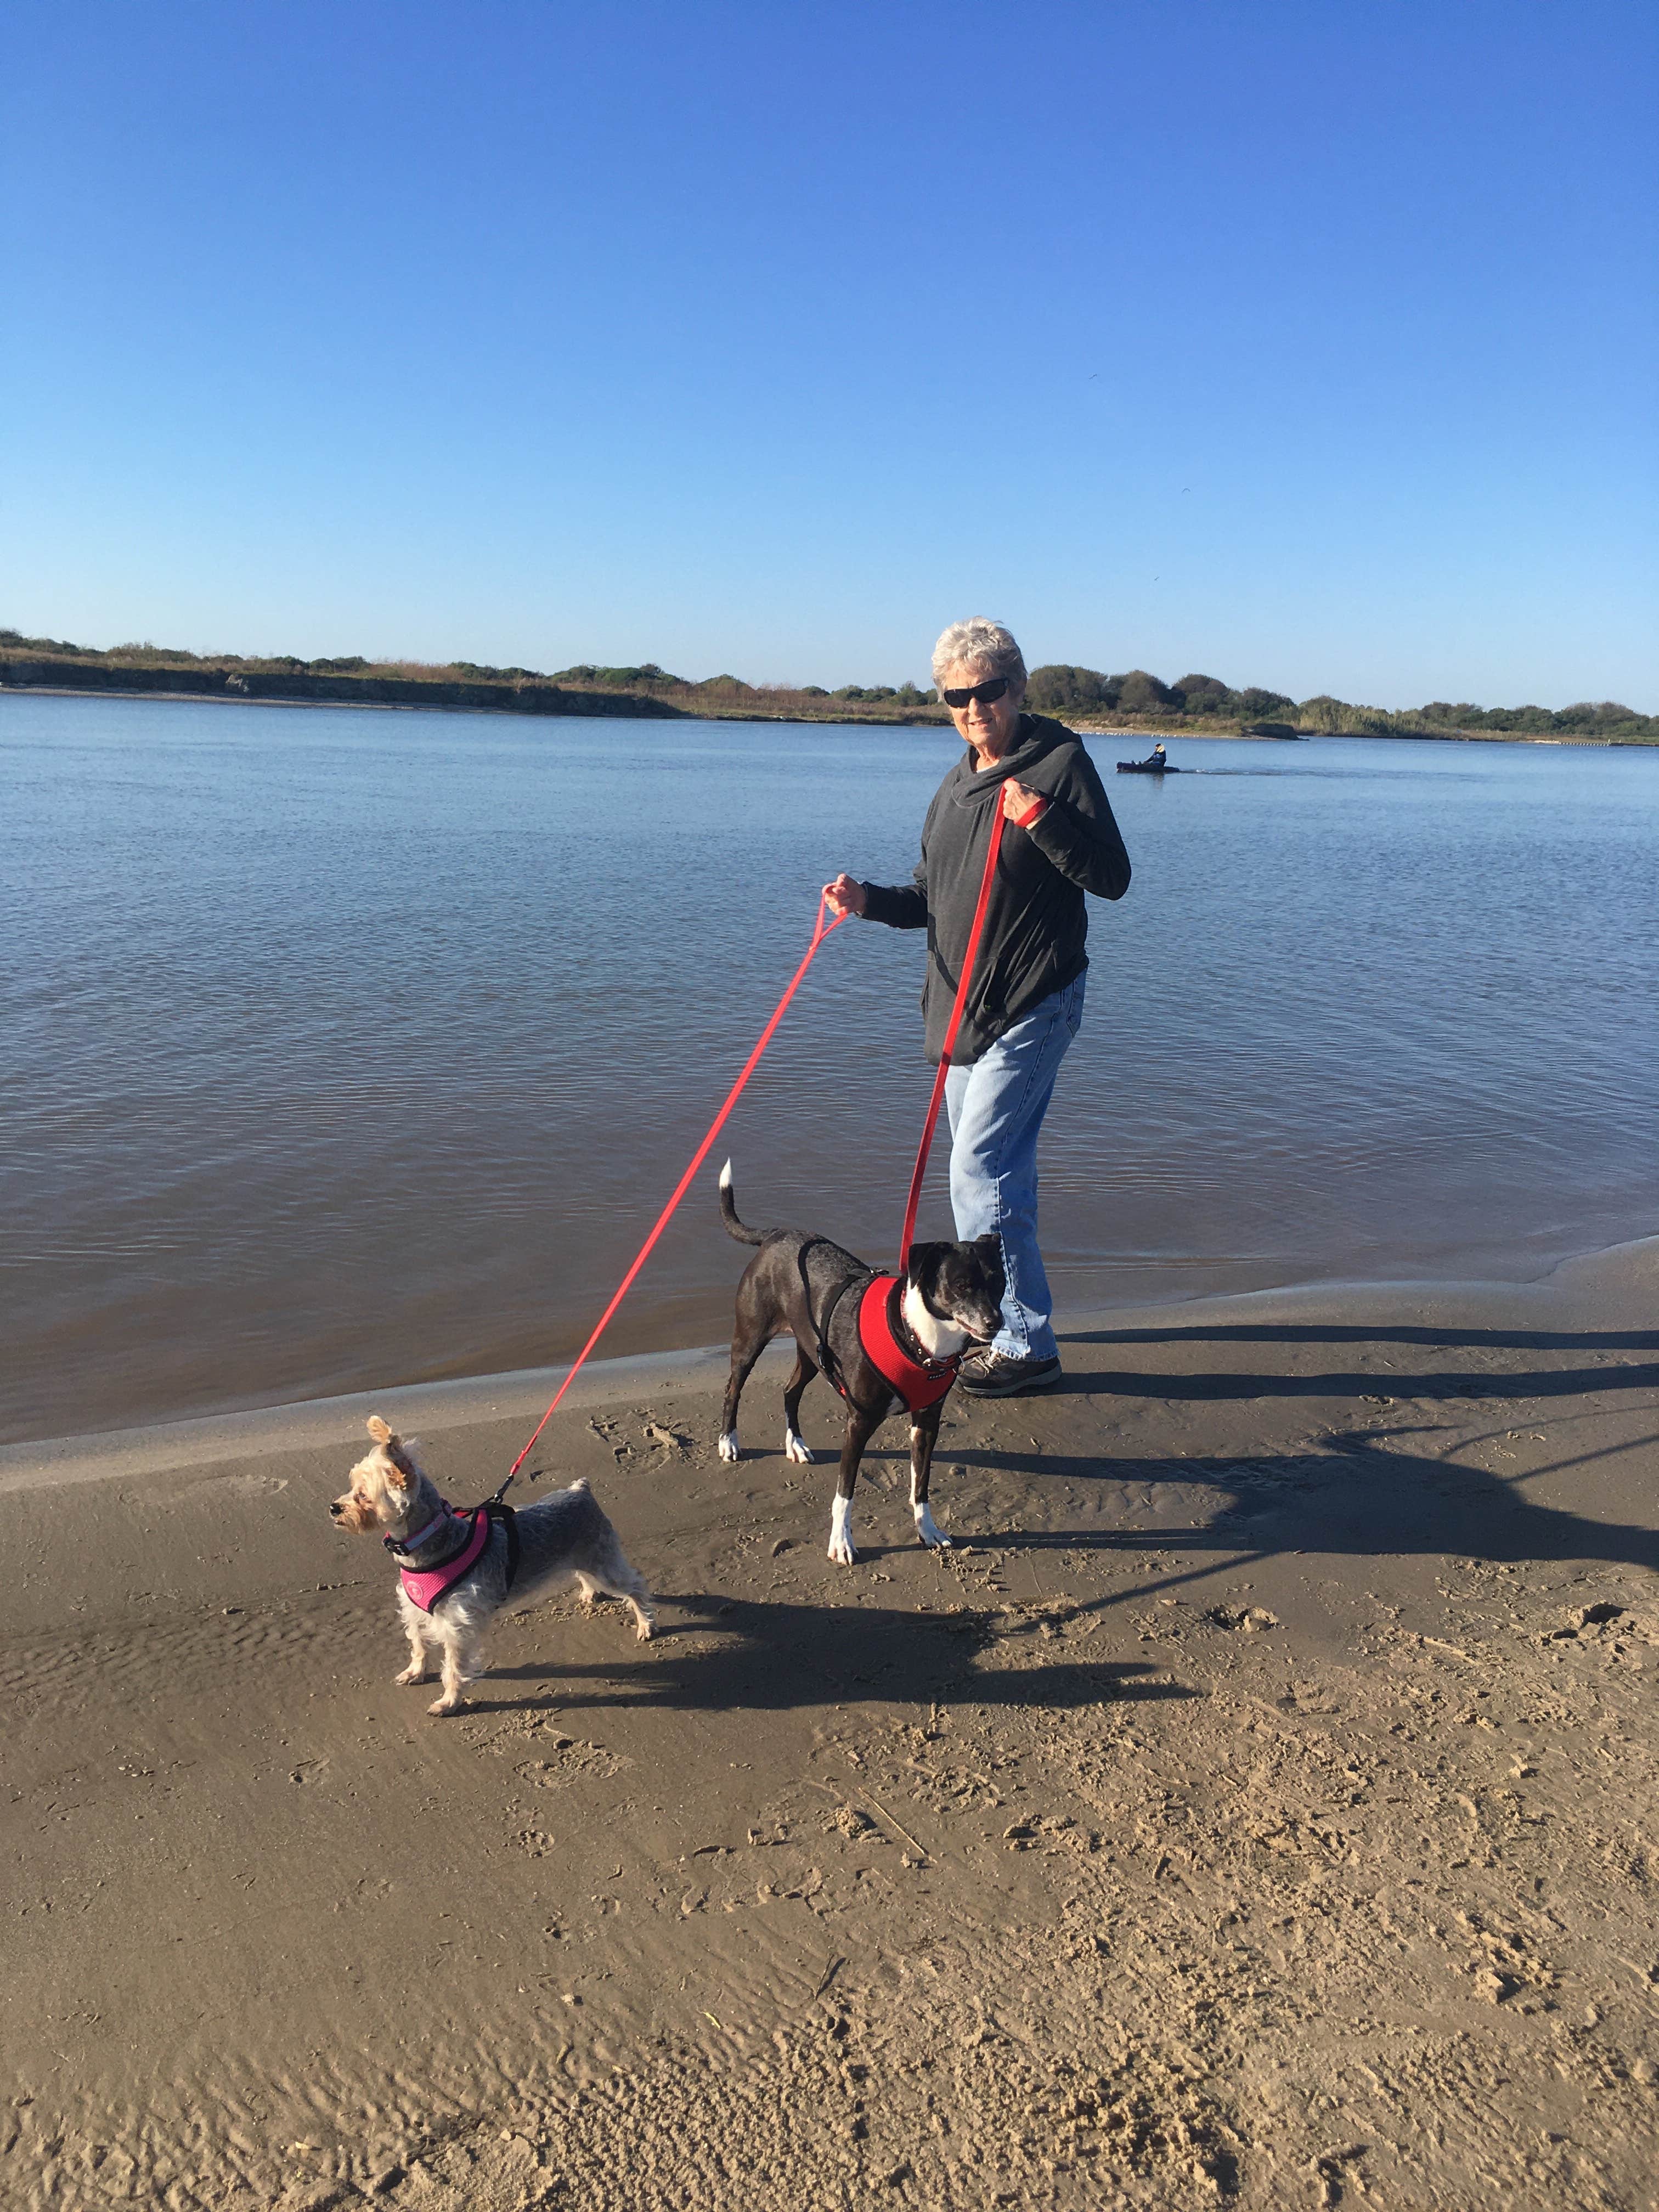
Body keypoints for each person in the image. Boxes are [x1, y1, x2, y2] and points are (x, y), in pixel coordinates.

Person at [823, 618, 1131, 1395]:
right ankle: (1018, 1320)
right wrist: (867, 902)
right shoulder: (959, 782)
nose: (972, 707)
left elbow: (1112, 876)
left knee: (980, 1172)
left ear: (1019, 688)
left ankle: (1025, 1342)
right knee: (1001, 1179)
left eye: (987, 691)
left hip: (1035, 1001)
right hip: (966, 1012)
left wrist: (1043, 821)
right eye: (956, 695)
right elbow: (932, 898)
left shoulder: (1060, 765)